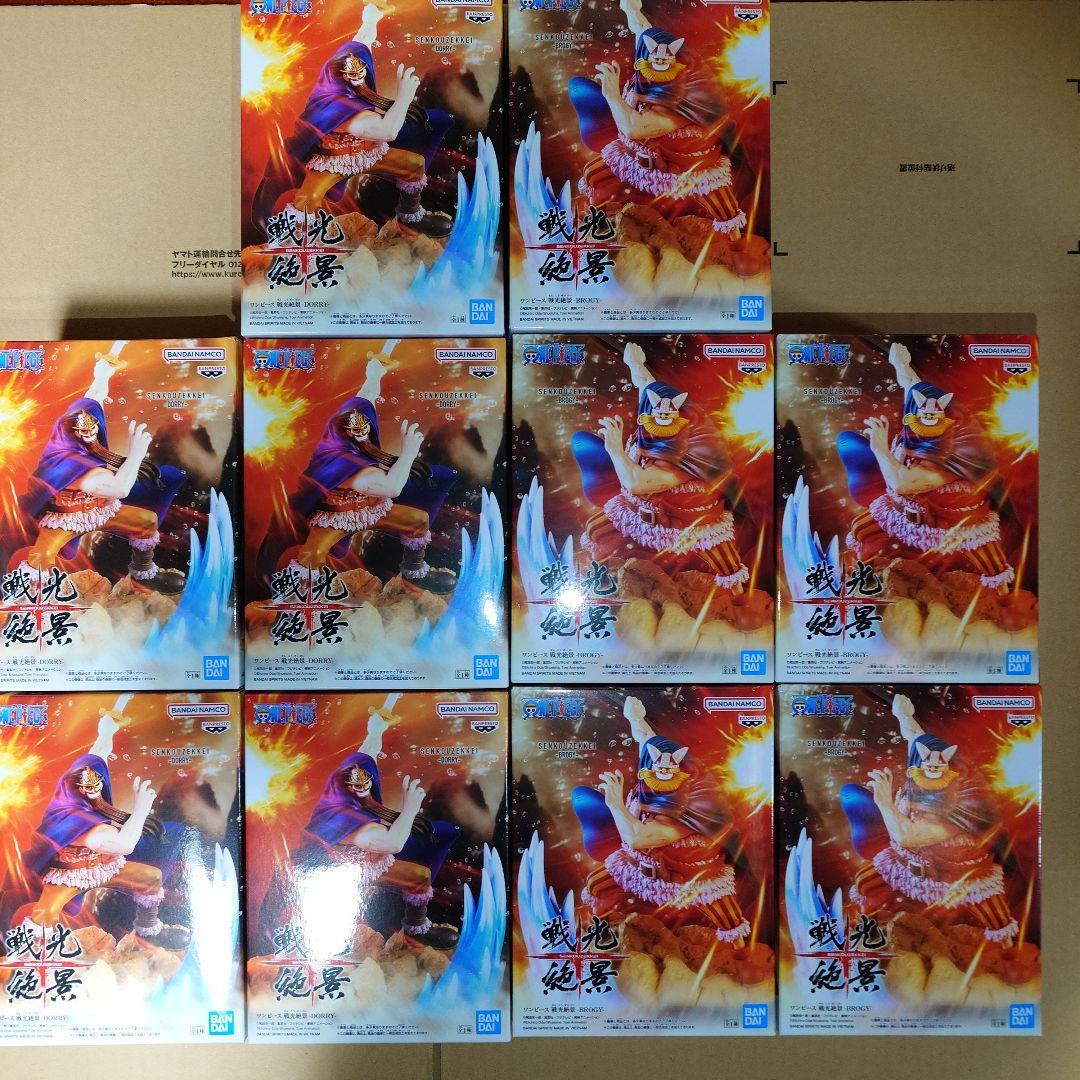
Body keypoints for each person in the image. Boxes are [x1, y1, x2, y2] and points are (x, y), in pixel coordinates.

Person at [252, 2, 453, 238]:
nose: (360, 80)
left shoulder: (350, 75)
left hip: (368, 154)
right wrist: (405, 96)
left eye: (361, 73)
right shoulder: (338, 109)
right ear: (341, 78)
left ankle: (410, 217)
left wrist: (371, 16)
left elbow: (363, 39)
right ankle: (293, 239)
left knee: (415, 165)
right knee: (309, 197)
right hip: (333, 162)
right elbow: (388, 131)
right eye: (353, 76)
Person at [840, 693, 1018, 943]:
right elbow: (915, 737)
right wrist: (904, 715)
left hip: (956, 877)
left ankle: (1007, 952)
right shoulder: (917, 773)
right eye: (927, 766)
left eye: (939, 768)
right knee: (864, 882)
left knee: (996, 918)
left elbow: (906, 836)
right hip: (905, 864)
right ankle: (862, 928)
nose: (933, 770)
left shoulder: (961, 807)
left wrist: (883, 801)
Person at [571, 695, 750, 944]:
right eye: (658, 768)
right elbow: (646, 738)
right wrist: (635, 717)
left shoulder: (685, 814)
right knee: (596, 884)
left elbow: (637, 838)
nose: (663, 773)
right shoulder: (653, 773)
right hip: (636, 865)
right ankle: (598, 929)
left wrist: (615, 803)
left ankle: (739, 952)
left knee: (727, 918)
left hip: (688, 880)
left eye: (669, 772)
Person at [570, 342, 749, 591]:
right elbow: (647, 385)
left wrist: (615, 449)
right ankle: (592, 579)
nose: (663, 419)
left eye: (669, 419)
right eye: (658, 414)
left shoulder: (685, 459)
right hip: (635, 510)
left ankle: (739, 598)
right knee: (595, 529)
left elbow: (637, 482)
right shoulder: (653, 419)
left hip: (686, 525)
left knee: (727, 564)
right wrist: (635, 363)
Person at [838, 342, 1015, 593]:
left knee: (992, 564)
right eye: (924, 412)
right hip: (901, 511)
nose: (929, 417)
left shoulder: (954, 455)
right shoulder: (915, 420)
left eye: (936, 415)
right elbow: (912, 384)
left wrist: (880, 449)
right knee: (860, 529)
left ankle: (1005, 600)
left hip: (953, 526)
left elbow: (902, 482)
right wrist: (900, 363)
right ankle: (859, 579)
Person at [568, 0, 746, 235]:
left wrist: (611, 94)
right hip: (632, 157)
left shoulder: (684, 101)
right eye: (655, 58)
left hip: (685, 171)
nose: (660, 62)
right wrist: (631, 8)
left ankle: (736, 243)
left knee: (724, 209)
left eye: (666, 61)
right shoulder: (646, 64)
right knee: (592, 174)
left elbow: (634, 128)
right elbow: (643, 30)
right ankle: (593, 221)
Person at [19, 352, 186, 594]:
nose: (90, 435)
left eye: (93, 429)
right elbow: (119, 488)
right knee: (41, 556)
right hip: (65, 519)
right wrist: (136, 453)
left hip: (100, 510)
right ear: (71, 432)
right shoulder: (69, 463)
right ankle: (32, 600)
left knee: (147, 522)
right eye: (83, 432)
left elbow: (93, 397)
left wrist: (102, 374)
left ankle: (143, 572)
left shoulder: (83, 430)